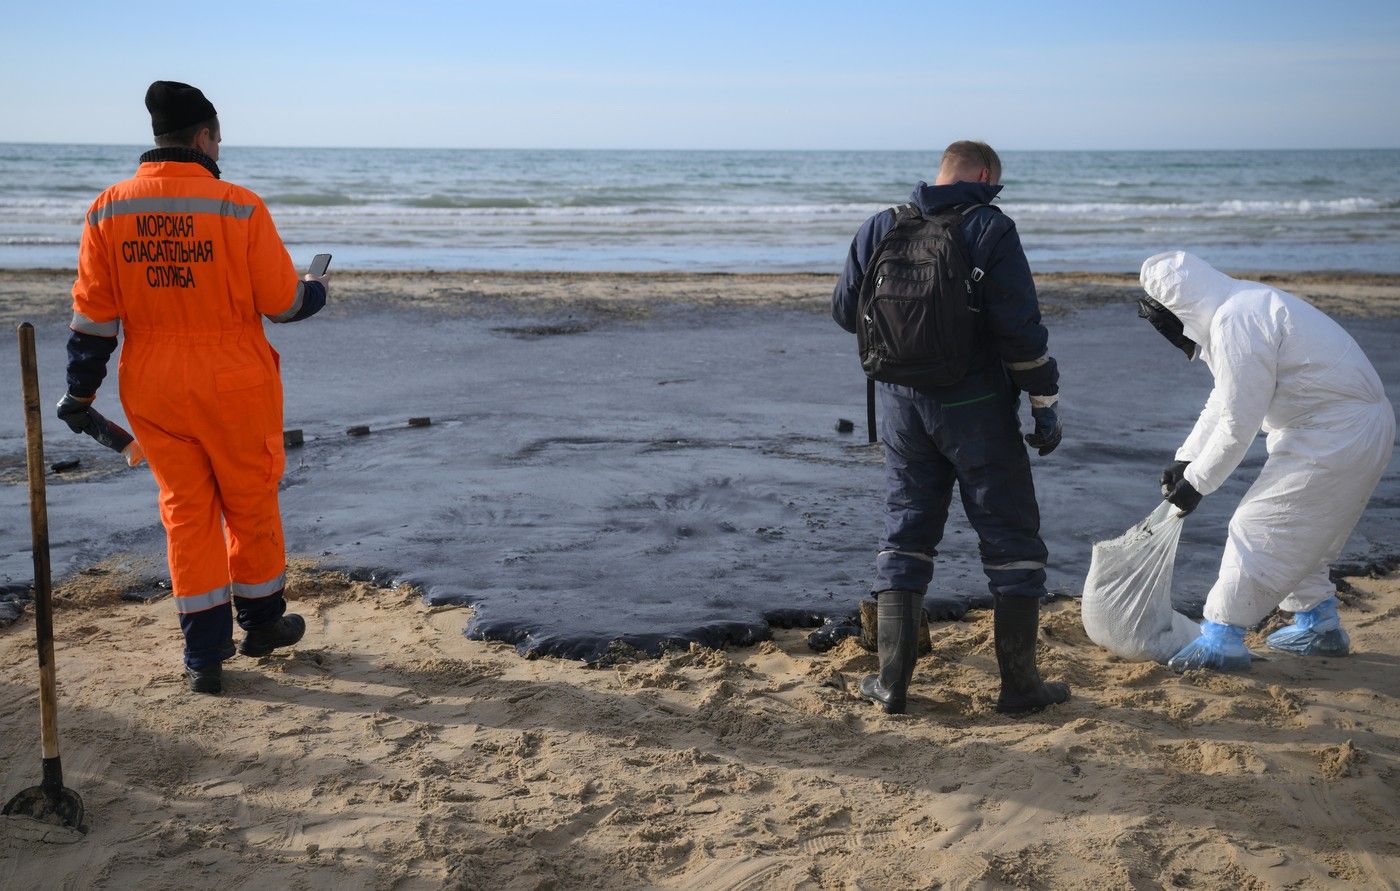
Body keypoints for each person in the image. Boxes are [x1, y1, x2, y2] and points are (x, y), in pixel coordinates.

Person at [59, 81, 329, 694]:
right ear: (205, 136)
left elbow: (93, 321)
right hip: (233, 381)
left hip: (151, 383)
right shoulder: (237, 206)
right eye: (219, 138)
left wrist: (81, 392)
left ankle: (205, 654)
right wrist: (316, 289)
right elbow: (282, 304)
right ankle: (261, 625)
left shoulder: (108, 209)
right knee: (249, 501)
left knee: (186, 514)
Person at [832, 141, 1070, 716]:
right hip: (977, 403)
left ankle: (891, 686)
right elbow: (1020, 330)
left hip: (900, 407)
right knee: (1010, 535)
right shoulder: (991, 228)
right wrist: (1043, 401)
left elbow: (845, 311)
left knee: (907, 529)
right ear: (985, 175)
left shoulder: (881, 225)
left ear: (942, 171)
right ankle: (1019, 687)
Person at [1139, 251, 1395, 672]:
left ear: (1180, 306)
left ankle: (1222, 638)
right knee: (1302, 532)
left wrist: (1197, 483)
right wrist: (1185, 458)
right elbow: (1223, 397)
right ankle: (1319, 625)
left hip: (1338, 432)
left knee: (1259, 523)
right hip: (1343, 429)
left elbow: (1239, 423)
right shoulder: (1238, 307)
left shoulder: (1237, 320)